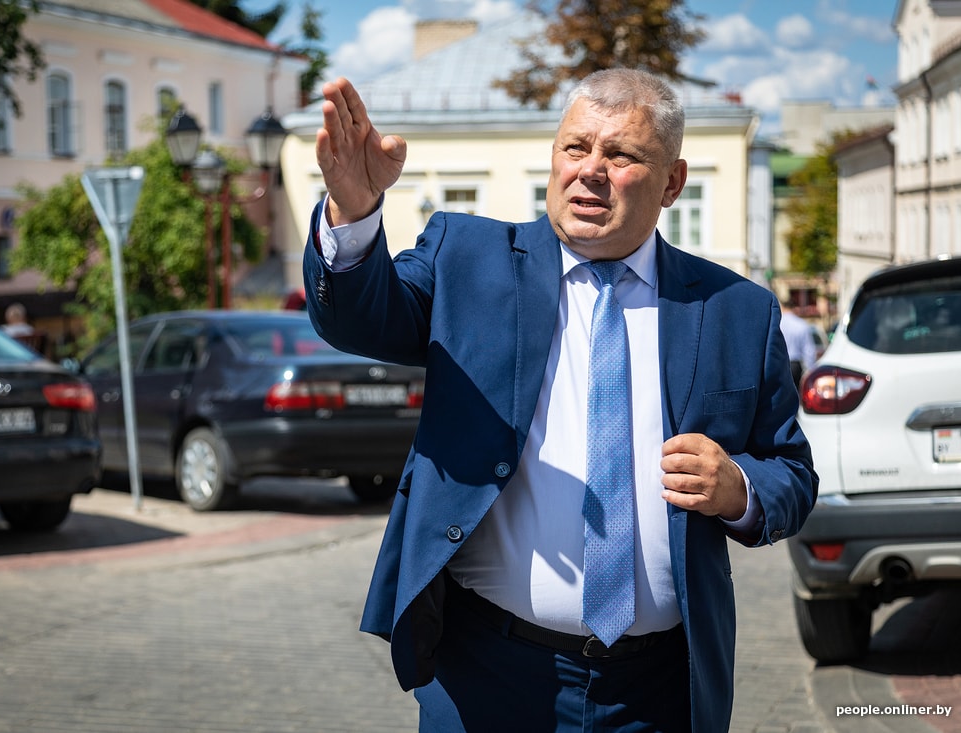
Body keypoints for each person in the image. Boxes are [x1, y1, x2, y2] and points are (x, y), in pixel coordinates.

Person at [303, 69, 817, 732]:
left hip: (660, 689)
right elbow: (363, 321)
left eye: (621, 155)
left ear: (673, 183)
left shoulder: (735, 310)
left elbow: (792, 473)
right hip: (488, 676)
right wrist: (352, 214)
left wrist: (738, 488)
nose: (590, 170)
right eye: (576, 147)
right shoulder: (467, 257)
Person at [779, 298, 818, 386]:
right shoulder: (801, 324)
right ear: (794, 308)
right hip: (795, 365)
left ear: (783, 307)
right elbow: (808, 350)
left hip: (779, 364)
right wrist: (810, 370)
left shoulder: (777, 323)